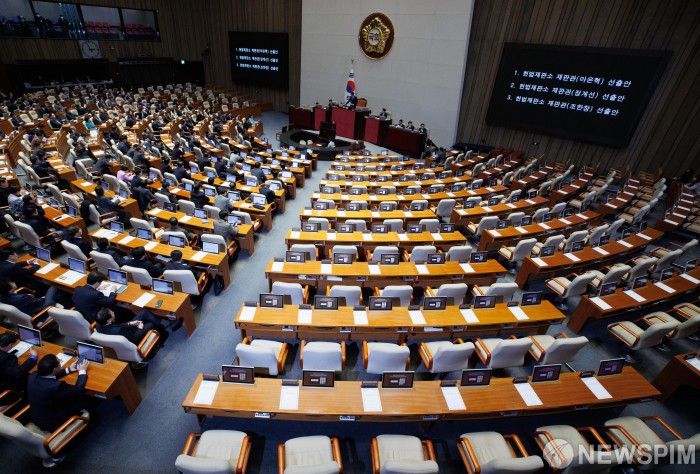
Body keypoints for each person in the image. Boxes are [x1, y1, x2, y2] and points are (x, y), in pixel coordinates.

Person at [27, 354, 90, 433]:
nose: (60, 363)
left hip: (37, 417)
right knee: (85, 397)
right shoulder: (56, 386)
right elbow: (77, 390)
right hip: (54, 422)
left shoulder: (33, 376)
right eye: (59, 362)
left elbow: (48, 376)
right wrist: (82, 371)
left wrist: (69, 369)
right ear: (54, 369)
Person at [94, 307, 168, 346]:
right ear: (109, 320)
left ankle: (163, 323)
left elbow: (117, 326)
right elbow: (134, 339)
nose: (113, 313)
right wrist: (140, 328)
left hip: (126, 331)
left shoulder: (98, 325)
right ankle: (164, 326)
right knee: (151, 323)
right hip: (135, 337)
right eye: (112, 313)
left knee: (144, 313)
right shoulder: (118, 330)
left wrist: (130, 323)